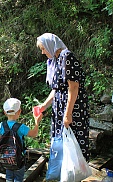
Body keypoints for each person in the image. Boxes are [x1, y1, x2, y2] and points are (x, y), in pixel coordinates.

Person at [36, 33, 90, 161]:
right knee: (62, 142)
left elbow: (73, 87)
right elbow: (57, 89)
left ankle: (76, 175)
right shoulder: (56, 60)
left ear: (51, 45)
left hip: (73, 108)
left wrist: (68, 114)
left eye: (43, 48)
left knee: (74, 143)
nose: (43, 52)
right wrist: (44, 105)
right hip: (60, 107)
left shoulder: (67, 57)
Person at [0, 98, 43, 182]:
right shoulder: (21, 127)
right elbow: (34, 134)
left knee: (9, 178)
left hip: (6, 158)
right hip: (19, 158)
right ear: (19, 111)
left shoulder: (2, 125)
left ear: (4, 112)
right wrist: (37, 122)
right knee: (18, 179)